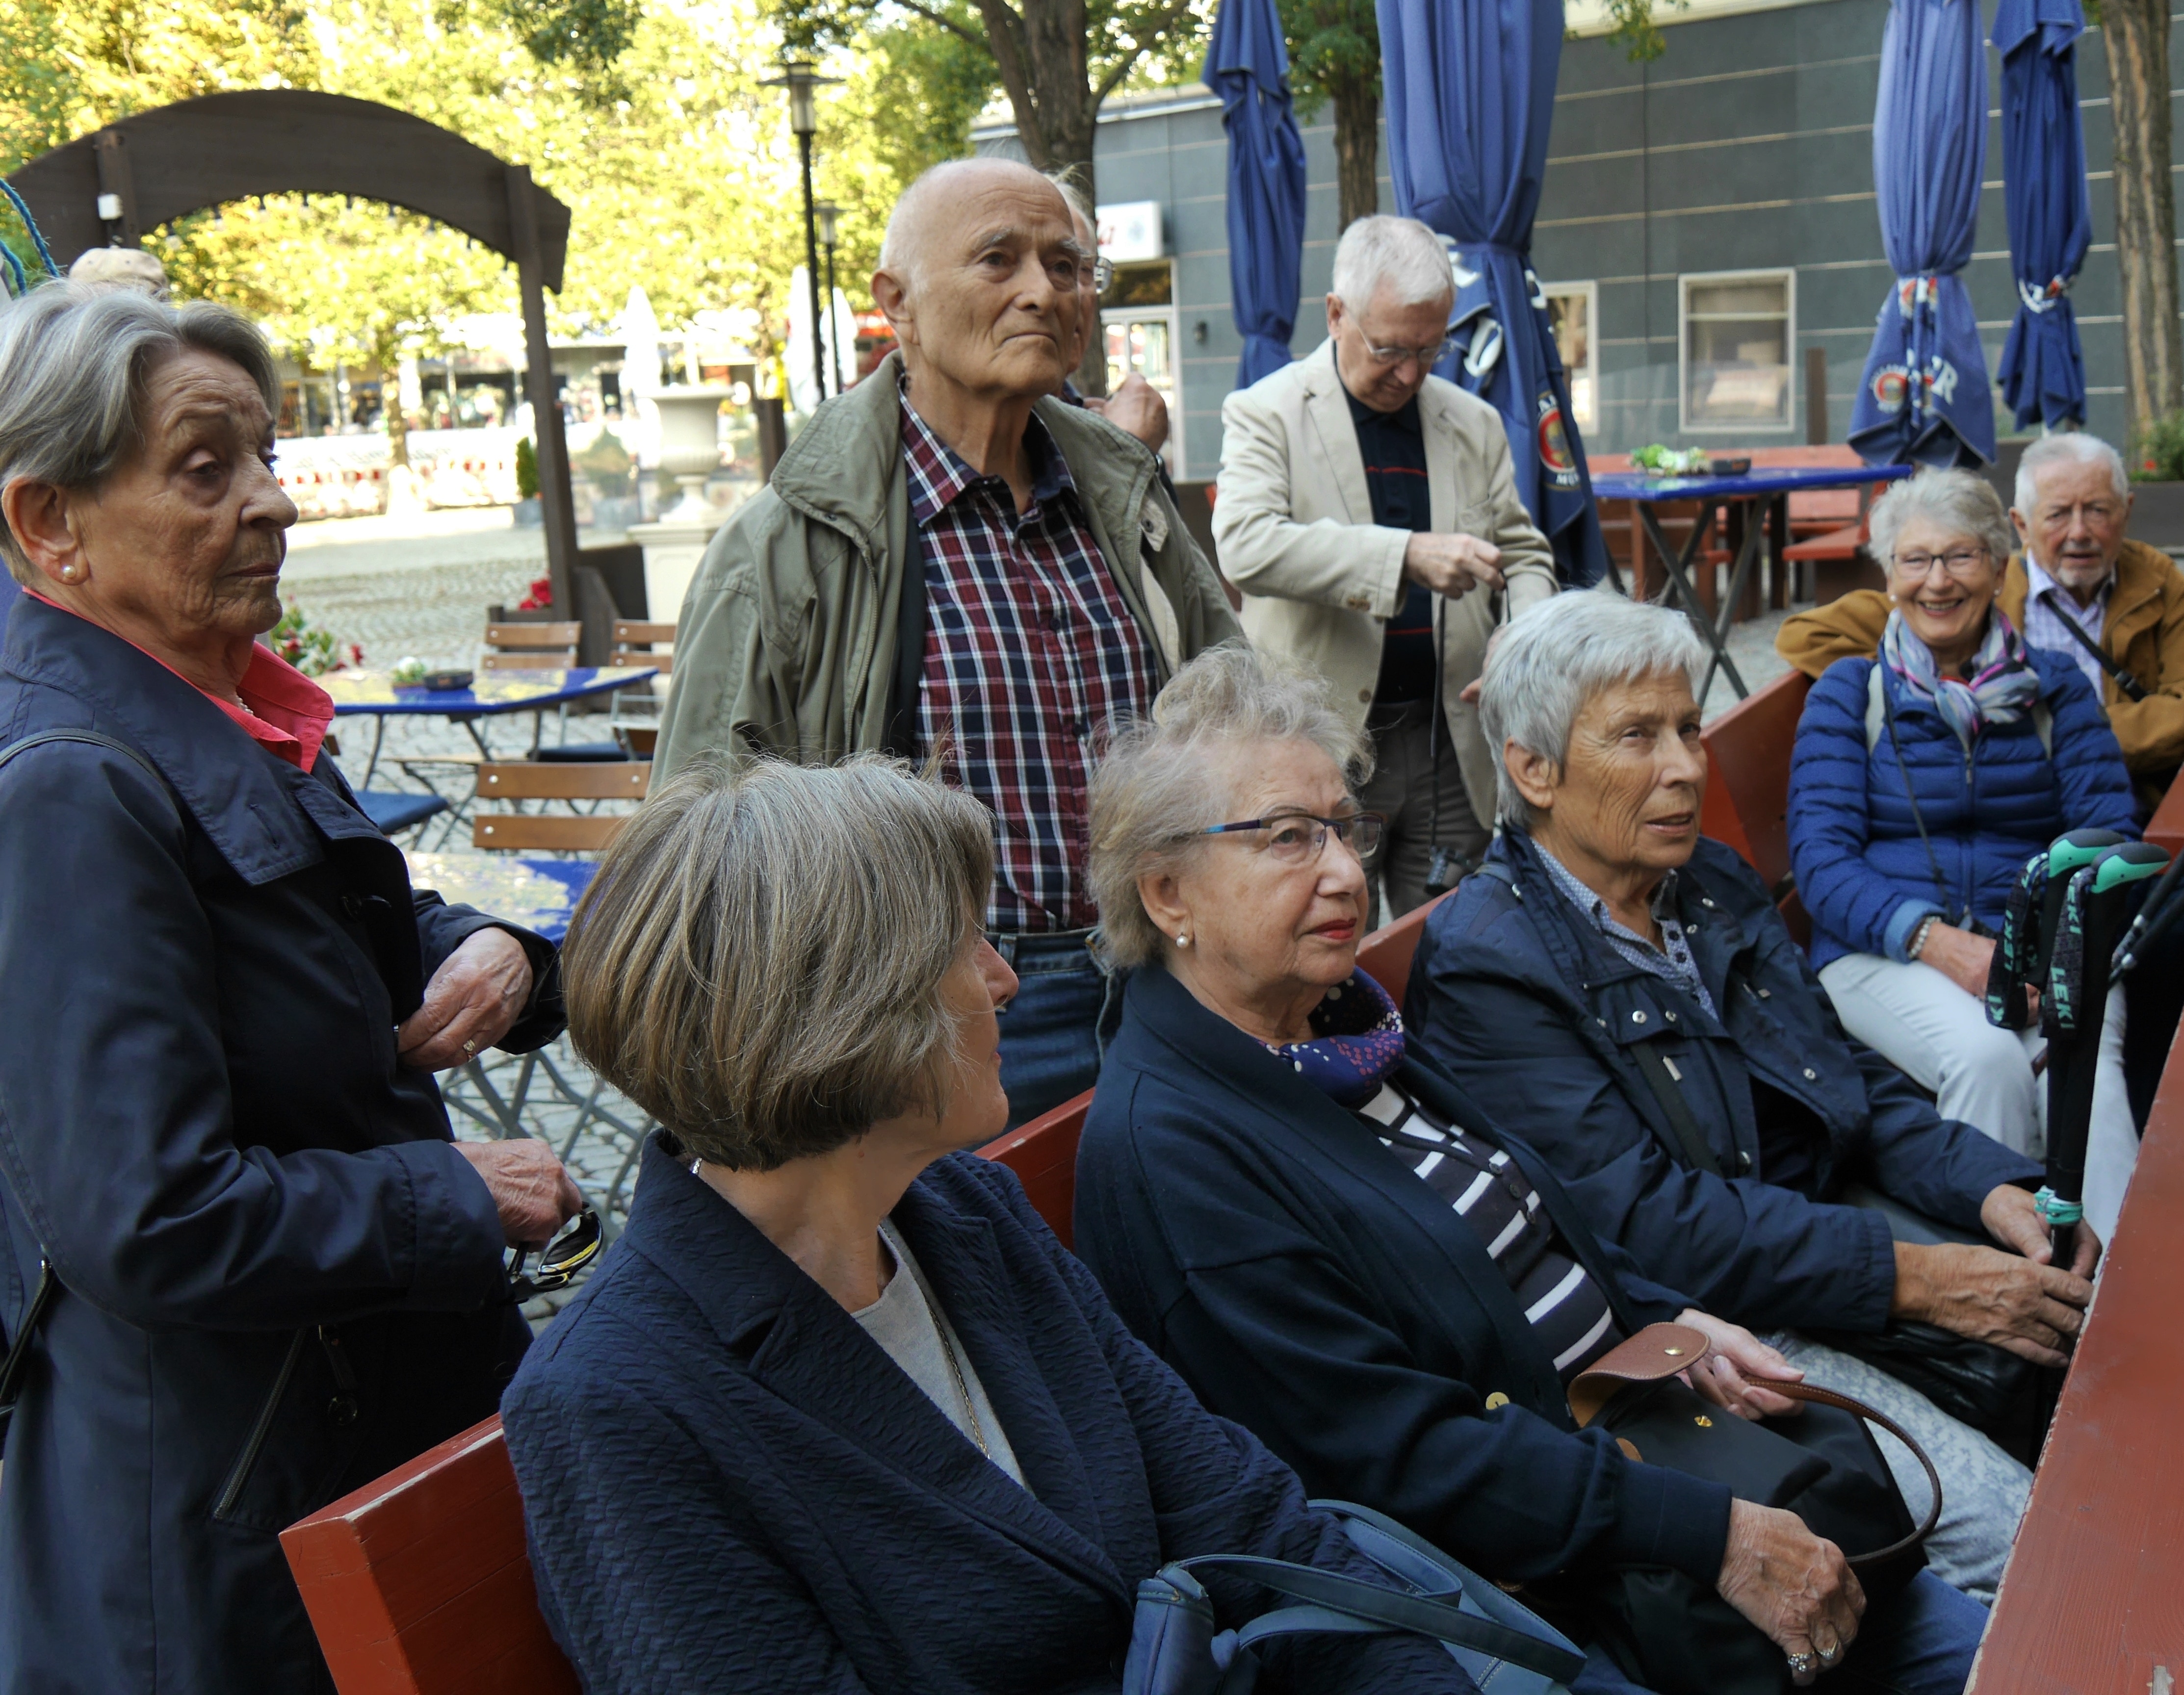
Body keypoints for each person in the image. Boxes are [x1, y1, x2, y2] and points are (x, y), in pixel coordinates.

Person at [1074, 645, 1984, 1695]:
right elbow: (1394, 1458)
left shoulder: (1338, 1030)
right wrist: (1712, 1535)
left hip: (1650, 1451)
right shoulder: (1175, 1151)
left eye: (1343, 828)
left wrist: (1671, 1321)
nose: (1346, 873)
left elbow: (1536, 1220)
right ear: (1167, 894)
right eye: (1287, 838)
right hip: (1556, 1596)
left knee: (1993, 1624)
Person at [502, 756, 1478, 1695]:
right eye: (963, 945)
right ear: (844, 1009)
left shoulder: (967, 1215)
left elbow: (1250, 1523)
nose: (1005, 980)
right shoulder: (617, 1400)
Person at [0, 283, 582, 1691]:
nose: (274, 500)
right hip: (230, 1516)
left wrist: (495, 951)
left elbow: (329, 926)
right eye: (207, 469)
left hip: (332, 1446)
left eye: (265, 454)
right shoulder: (72, 784)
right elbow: (146, 1217)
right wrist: (456, 1192)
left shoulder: (204, 707)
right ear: (49, 522)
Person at [1405, 590, 2103, 1602]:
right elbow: (1645, 1226)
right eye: (1637, 737)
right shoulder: (1488, 963)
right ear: (1533, 770)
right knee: (2044, 1556)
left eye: (1688, 728)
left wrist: (1990, 1184)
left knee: (2103, 1350)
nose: (1686, 767)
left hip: (1818, 1249)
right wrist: (1920, 1278)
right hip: (1716, 1332)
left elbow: (1840, 1075)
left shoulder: (1707, 883)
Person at [653, 157, 1238, 1127]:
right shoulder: (785, 547)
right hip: (943, 1016)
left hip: (1172, 980)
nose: (1043, 291)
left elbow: (1232, 711)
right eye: (998, 260)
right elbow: (701, 848)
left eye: (1066, 265)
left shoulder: (1127, 498)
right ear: (899, 304)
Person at [1784, 470, 2149, 1236]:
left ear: (1999, 565)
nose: (1938, 581)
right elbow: (1821, 861)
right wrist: (1941, 944)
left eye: (1960, 557)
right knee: (1987, 1059)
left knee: (2085, 1069)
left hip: (2047, 947)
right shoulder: (1851, 693)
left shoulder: (2054, 689)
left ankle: (2117, 1277)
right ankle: (2001, 1274)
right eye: (1916, 560)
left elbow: (2109, 830)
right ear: (1889, 575)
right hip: (1883, 950)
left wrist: (2052, 951)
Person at [1212, 215, 1557, 917]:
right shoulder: (1266, 411)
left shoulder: (1474, 422)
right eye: (1392, 349)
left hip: (1451, 739)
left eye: (1431, 350)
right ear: (1336, 314)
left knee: (1461, 939)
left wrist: (1520, 640)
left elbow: (1523, 554)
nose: (1410, 373)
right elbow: (1245, 544)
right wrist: (1404, 555)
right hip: (1318, 741)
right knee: (1329, 942)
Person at [1777, 433, 2184, 812]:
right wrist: (1934, 692)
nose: (2080, 532)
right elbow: (1805, 636)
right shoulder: (1969, 589)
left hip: (2127, 803)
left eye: (2098, 511)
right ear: (2021, 526)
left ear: (2126, 512)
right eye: (2058, 514)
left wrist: (2067, 736)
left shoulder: (2153, 582)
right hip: (2005, 805)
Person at [1052, 174, 1173, 458]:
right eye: (1060, 268)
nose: (1078, 293)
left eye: (1085, 270)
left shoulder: (1100, 423)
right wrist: (1128, 451)